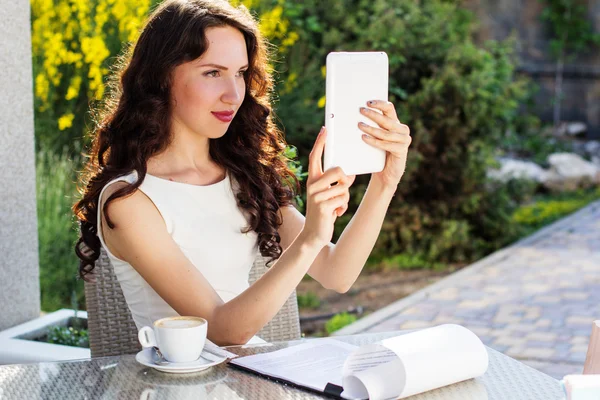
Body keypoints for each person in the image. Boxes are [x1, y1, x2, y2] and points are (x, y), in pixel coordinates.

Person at [73, 0, 411, 346]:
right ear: (161, 78)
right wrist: (310, 236)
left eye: (240, 73)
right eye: (212, 73)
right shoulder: (129, 201)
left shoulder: (242, 175)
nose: (234, 94)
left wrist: (385, 182)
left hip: (252, 373)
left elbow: (337, 273)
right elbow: (221, 330)